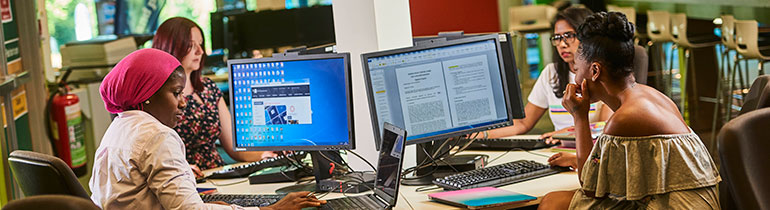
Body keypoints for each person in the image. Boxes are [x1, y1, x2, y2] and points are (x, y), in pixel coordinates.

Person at [90, 48, 324, 210]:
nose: (183, 102)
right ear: (147, 94)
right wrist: (269, 208)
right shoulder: (157, 135)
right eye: (176, 93)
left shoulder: (120, 126)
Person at [538, 12, 720, 209]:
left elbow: (590, 187)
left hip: (676, 206)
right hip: (685, 202)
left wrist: (579, 116)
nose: (575, 76)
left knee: (552, 203)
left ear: (595, 71)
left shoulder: (625, 118)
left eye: (577, 69)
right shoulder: (652, 95)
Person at [152, 17, 275, 175]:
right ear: (171, 47)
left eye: (201, 44)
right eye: (191, 45)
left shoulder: (208, 88)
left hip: (218, 176)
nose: (200, 51)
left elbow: (234, 148)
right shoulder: (155, 95)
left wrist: (265, 156)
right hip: (181, 182)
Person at [484, 8, 612, 142]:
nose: (562, 44)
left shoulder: (603, 73)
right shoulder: (551, 73)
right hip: (557, 150)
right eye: (557, 38)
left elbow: (605, 128)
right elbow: (523, 123)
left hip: (591, 153)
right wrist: (482, 135)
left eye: (569, 35)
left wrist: (566, 133)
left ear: (587, 37)